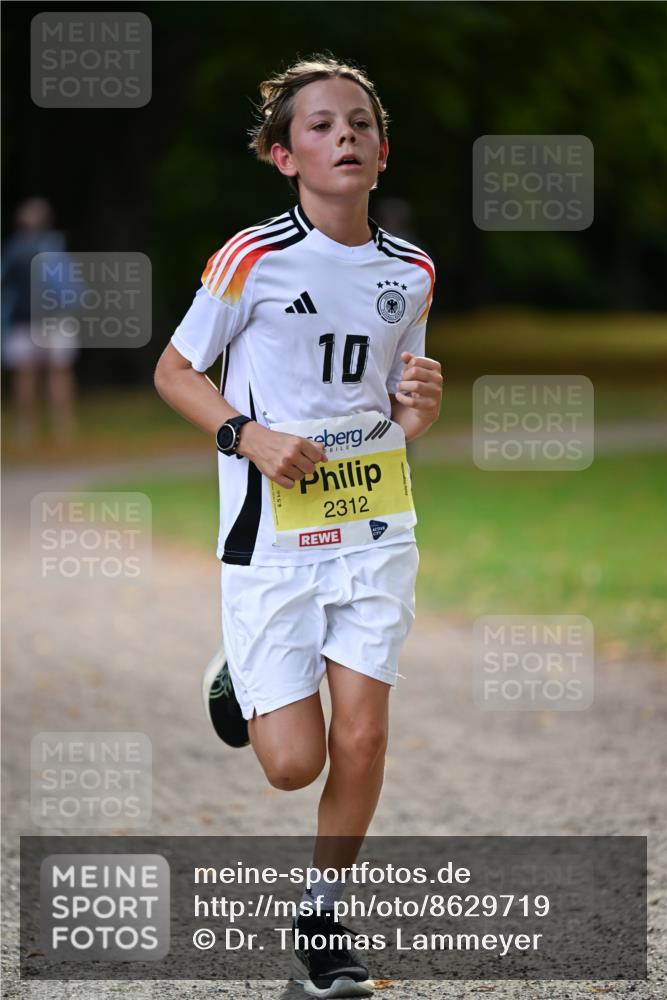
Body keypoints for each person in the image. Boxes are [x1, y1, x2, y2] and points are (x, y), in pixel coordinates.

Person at [154, 54, 442, 999]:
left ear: (384, 150)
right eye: (320, 126)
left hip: (372, 530)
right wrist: (249, 436)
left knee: (361, 739)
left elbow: (395, 405)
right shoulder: (252, 260)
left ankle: (321, 919)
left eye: (358, 123)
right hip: (271, 540)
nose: (343, 137)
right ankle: (237, 673)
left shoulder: (413, 271)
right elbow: (173, 373)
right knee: (292, 765)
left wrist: (417, 410)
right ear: (284, 157)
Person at [1, 197, 79, 447]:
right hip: (56, 318)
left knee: (26, 374)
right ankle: (63, 427)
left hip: (24, 320)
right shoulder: (55, 246)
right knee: (59, 372)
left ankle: (27, 429)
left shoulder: (13, 249)